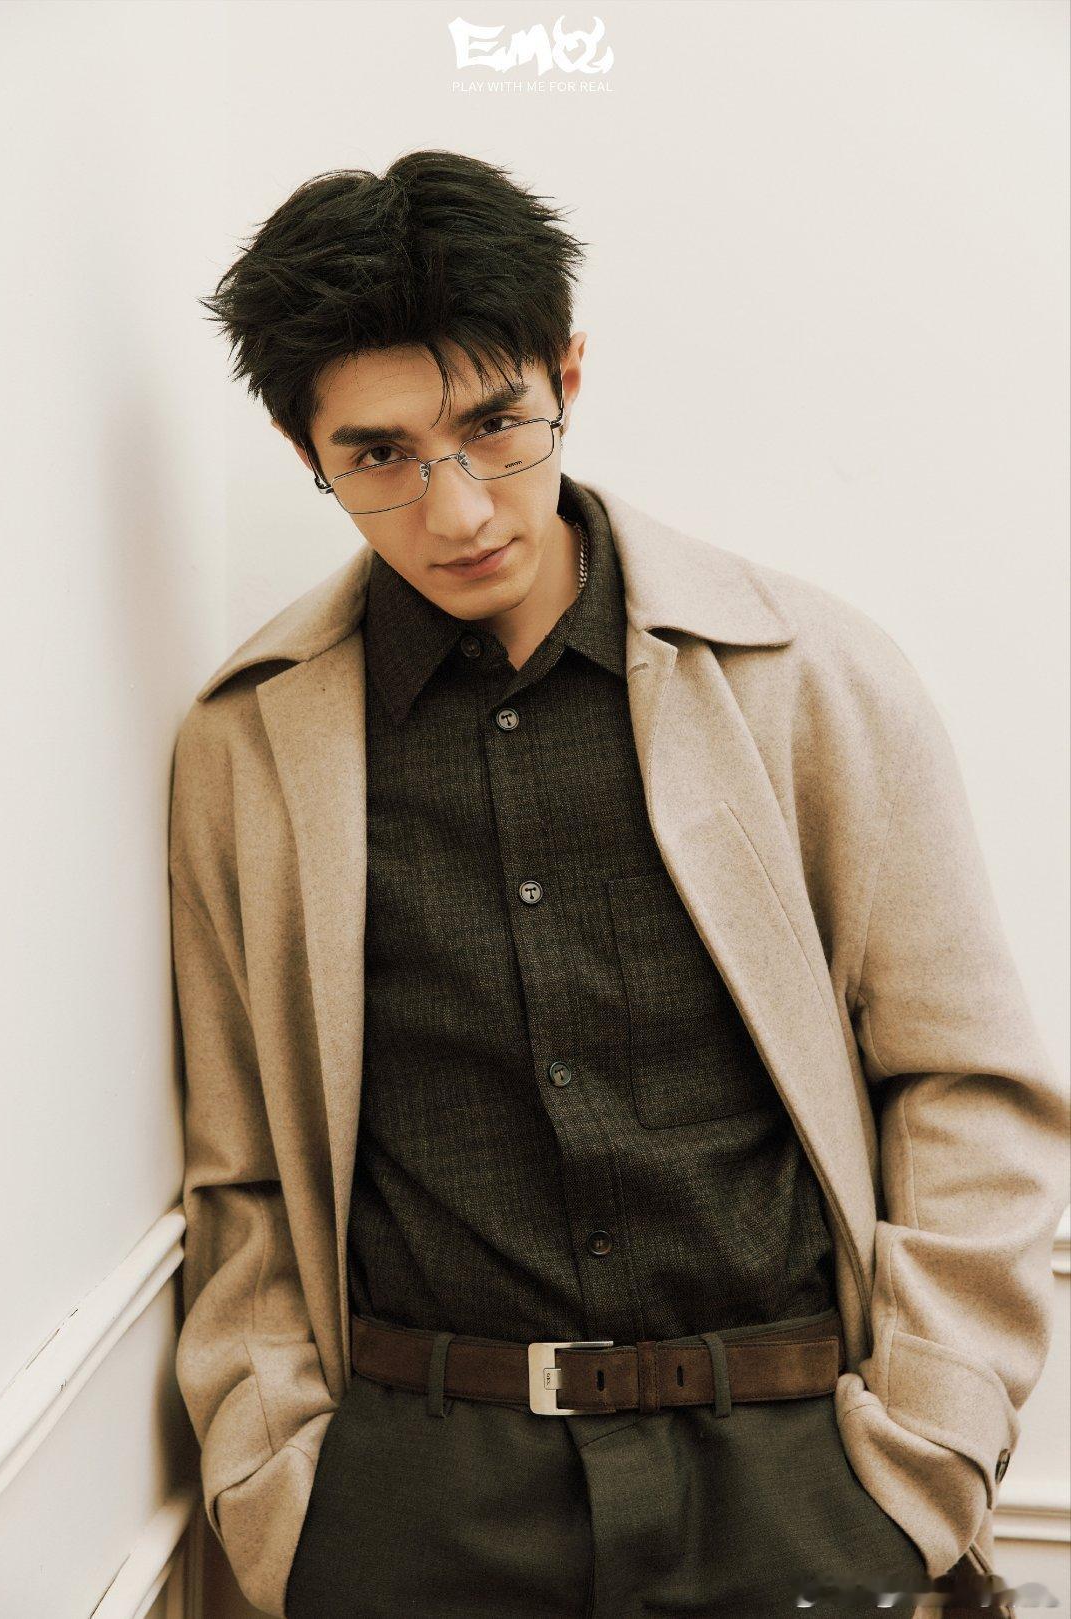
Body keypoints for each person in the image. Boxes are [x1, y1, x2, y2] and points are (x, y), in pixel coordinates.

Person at [169, 149, 1069, 1619]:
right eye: (381, 456)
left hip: (796, 1483)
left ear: (568, 376)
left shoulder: (808, 679)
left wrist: (922, 1458)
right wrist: (290, 1504)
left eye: (495, 425)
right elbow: (243, 1170)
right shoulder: (248, 745)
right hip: (417, 1505)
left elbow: (967, 1085)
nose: (460, 510)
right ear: (305, 452)